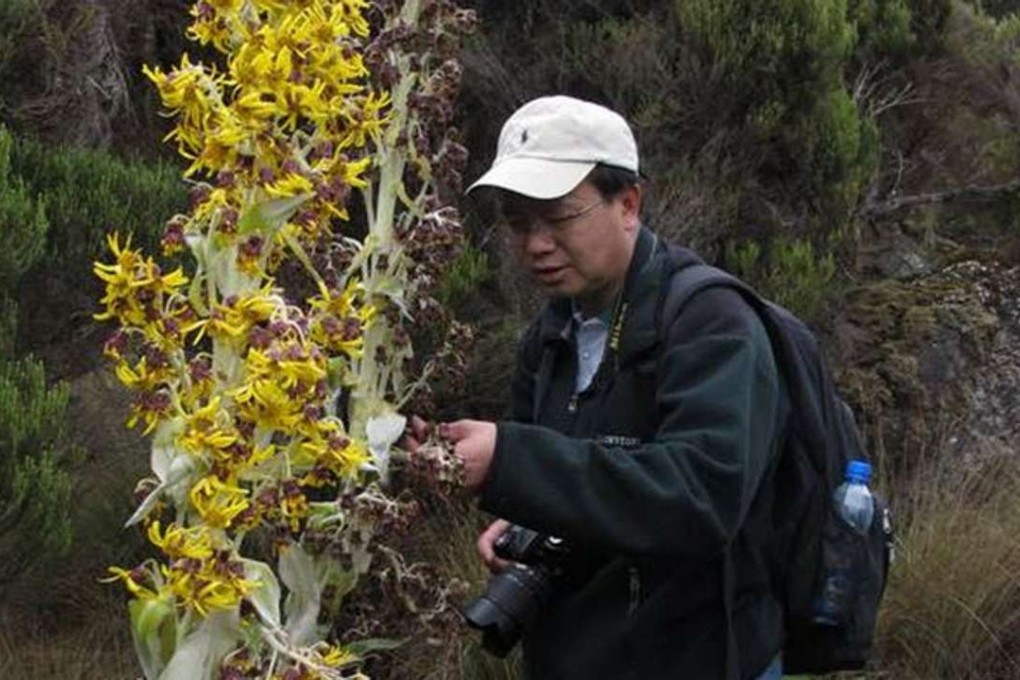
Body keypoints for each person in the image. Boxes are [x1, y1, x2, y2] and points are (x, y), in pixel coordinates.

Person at [410, 95, 788, 679]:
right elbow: (570, 476)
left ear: (628, 204)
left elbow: (704, 498)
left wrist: (510, 461)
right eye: (518, 221)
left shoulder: (711, 321)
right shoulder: (549, 334)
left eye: (558, 216)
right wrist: (519, 519)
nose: (535, 244)